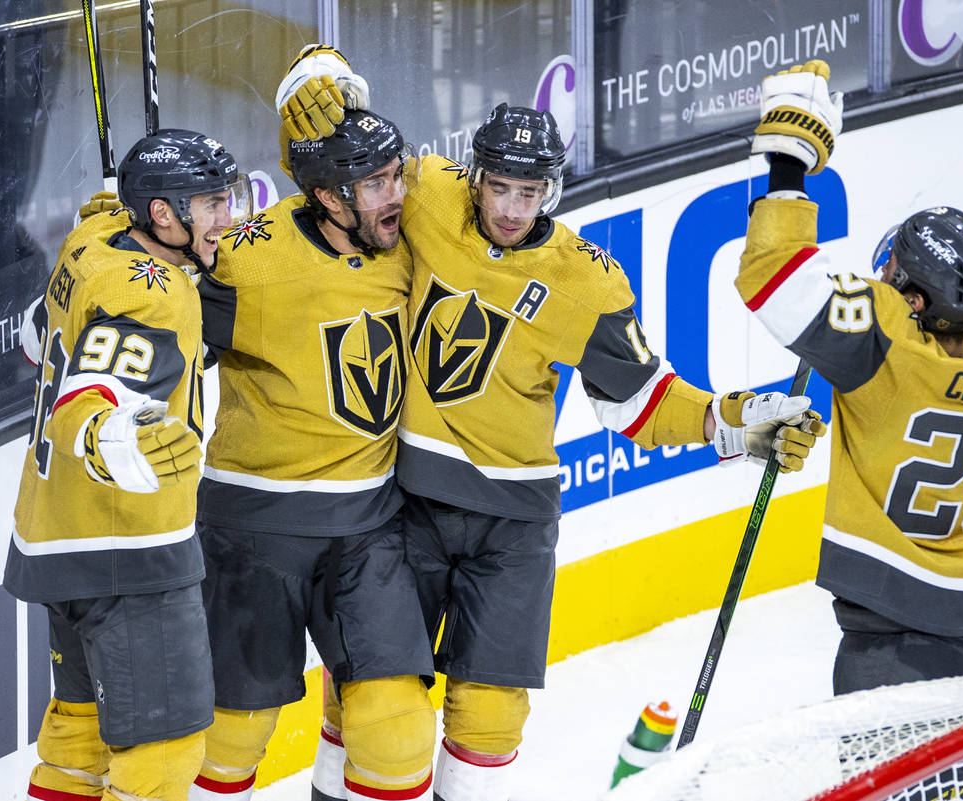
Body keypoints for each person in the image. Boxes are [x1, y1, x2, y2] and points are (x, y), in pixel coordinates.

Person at [278, 55, 828, 801]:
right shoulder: (427, 196)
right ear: (474, 176)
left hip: (513, 527)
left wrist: (731, 422)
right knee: (377, 705)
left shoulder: (586, 280)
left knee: (491, 718)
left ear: (552, 191)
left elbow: (640, 401)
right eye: (499, 186)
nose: (510, 207)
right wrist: (323, 77)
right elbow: (345, 165)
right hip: (405, 503)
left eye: (528, 191)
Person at [735, 14, 963, 746]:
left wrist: (791, 156)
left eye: (895, 277)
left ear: (915, 302)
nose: (883, 280)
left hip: (892, 649)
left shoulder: (889, 351)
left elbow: (775, 275)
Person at [183, 108, 437, 801]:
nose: (396, 196)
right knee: (229, 735)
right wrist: (127, 247)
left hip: (368, 528)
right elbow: (144, 328)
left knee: (398, 732)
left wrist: (329, 72)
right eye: (376, 183)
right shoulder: (249, 260)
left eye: (396, 175)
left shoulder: (412, 242)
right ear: (327, 196)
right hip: (251, 534)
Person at [4, 129, 251, 801]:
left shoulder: (89, 243)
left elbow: (99, 220)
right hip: (129, 548)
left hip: (58, 534)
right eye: (213, 203)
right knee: (162, 761)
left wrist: (119, 202)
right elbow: (94, 395)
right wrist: (116, 435)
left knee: (79, 745)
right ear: (164, 215)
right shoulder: (155, 293)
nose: (228, 218)